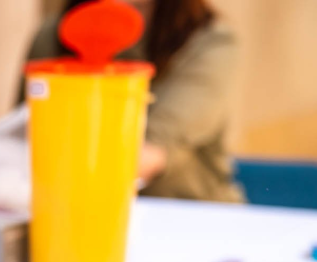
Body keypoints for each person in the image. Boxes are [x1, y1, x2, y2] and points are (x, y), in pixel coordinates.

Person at [26, 0, 242, 203]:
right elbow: (24, 132)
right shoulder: (56, 34)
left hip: (191, 217)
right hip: (66, 212)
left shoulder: (212, 42)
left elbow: (148, 152)